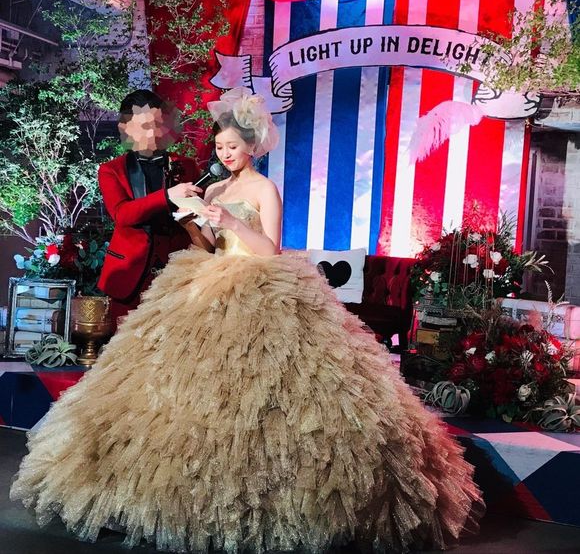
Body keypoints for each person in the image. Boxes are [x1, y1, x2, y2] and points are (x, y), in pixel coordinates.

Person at [11, 87, 484, 553]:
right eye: (219, 147)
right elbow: (206, 246)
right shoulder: (215, 186)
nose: (225, 154)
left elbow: (270, 249)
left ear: (252, 147)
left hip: (259, 285)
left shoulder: (264, 188)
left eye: (232, 147)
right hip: (207, 282)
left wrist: (234, 224)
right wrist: (194, 222)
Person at [97, 89, 202, 327]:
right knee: (126, 346)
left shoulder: (185, 165)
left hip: (179, 275)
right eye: (145, 126)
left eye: (157, 124)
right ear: (125, 128)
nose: (153, 133)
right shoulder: (111, 170)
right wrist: (167, 195)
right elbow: (122, 215)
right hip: (130, 277)